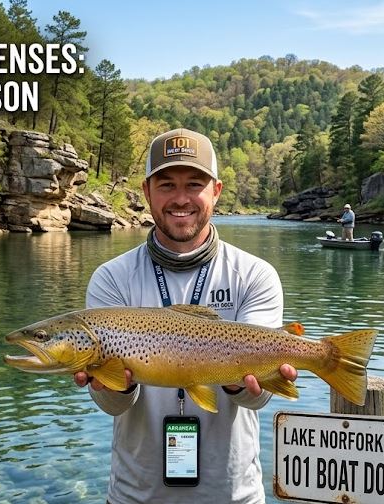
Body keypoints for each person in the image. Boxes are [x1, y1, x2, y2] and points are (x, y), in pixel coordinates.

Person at [72, 128, 298, 503]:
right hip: (136, 496)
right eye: (166, 185)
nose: (180, 199)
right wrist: (115, 386)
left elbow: (256, 400)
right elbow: (112, 406)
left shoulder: (254, 275)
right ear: (147, 192)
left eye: (194, 184)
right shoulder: (112, 279)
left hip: (233, 496)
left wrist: (239, 380)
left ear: (216, 191)